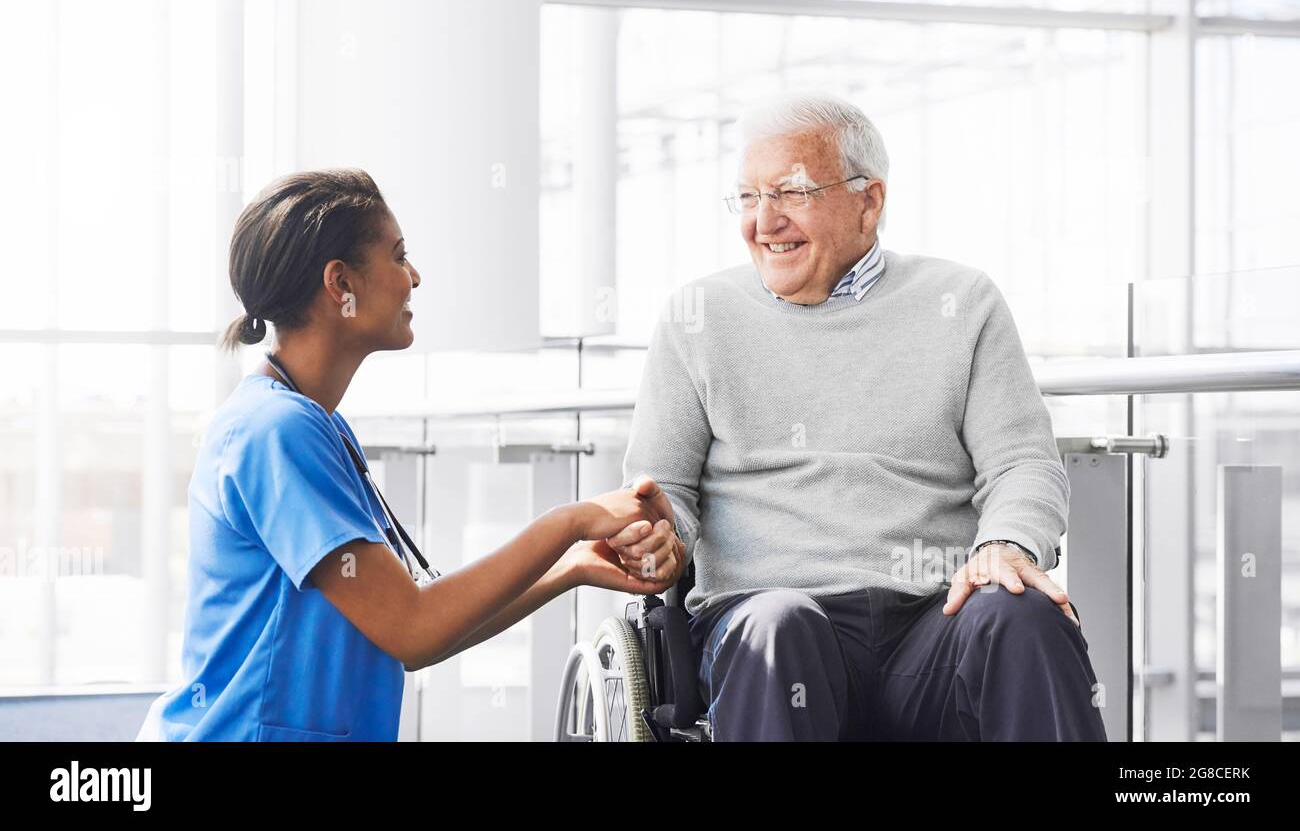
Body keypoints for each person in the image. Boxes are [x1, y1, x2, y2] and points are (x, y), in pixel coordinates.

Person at [608, 92, 1107, 740]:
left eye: (789, 193)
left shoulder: (963, 302)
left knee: (1022, 614)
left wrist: (1004, 544)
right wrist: (655, 535)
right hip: (771, 627)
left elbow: (1023, 464)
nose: (763, 221)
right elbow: (660, 491)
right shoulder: (697, 318)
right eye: (748, 198)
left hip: (933, 625)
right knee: (781, 626)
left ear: (868, 201)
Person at [136, 168, 681, 741]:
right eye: (398, 257)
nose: (414, 277)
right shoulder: (276, 431)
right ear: (339, 283)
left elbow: (411, 628)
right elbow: (411, 628)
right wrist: (569, 522)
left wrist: (572, 566)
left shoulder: (314, 425)